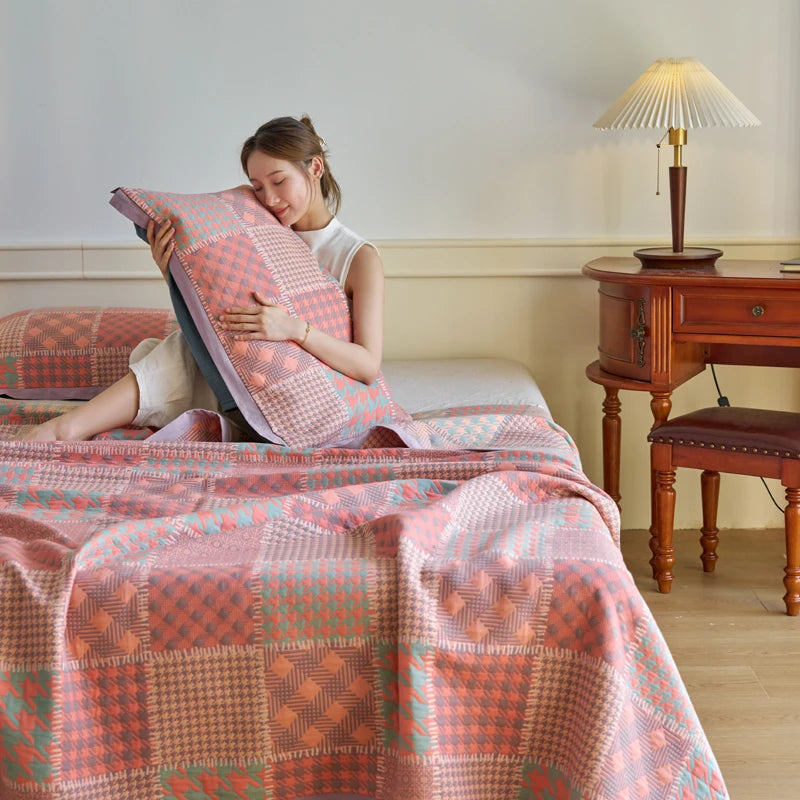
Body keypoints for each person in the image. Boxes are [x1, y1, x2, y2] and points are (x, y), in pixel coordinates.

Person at [21, 115, 385, 441]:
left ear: (315, 168)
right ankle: (68, 428)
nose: (270, 199)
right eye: (258, 187)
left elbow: (368, 365)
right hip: (236, 372)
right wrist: (172, 272)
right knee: (183, 351)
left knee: (178, 358)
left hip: (299, 395)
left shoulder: (357, 257)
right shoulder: (256, 232)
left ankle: (66, 429)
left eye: (279, 181)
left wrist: (293, 329)